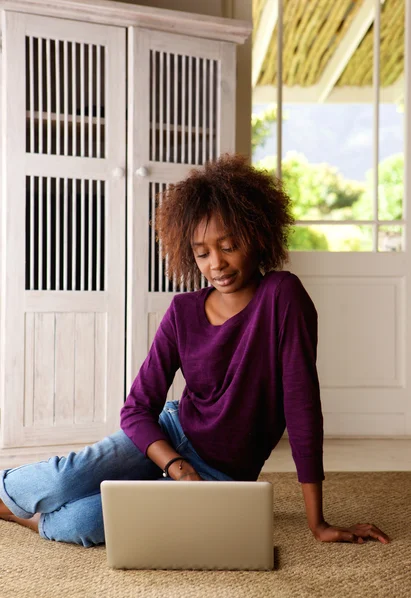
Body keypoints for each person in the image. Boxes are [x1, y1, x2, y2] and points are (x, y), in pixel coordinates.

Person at [0, 154, 390, 548]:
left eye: (229, 246)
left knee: (84, 523)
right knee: (62, 480)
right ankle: (6, 492)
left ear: (258, 236)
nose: (216, 264)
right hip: (170, 435)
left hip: (222, 475)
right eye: (202, 253)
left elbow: (302, 407)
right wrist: (176, 465)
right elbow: (136, 409)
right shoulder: (183, 311)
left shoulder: (282, 296)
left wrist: (318, 523)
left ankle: (33, 519)